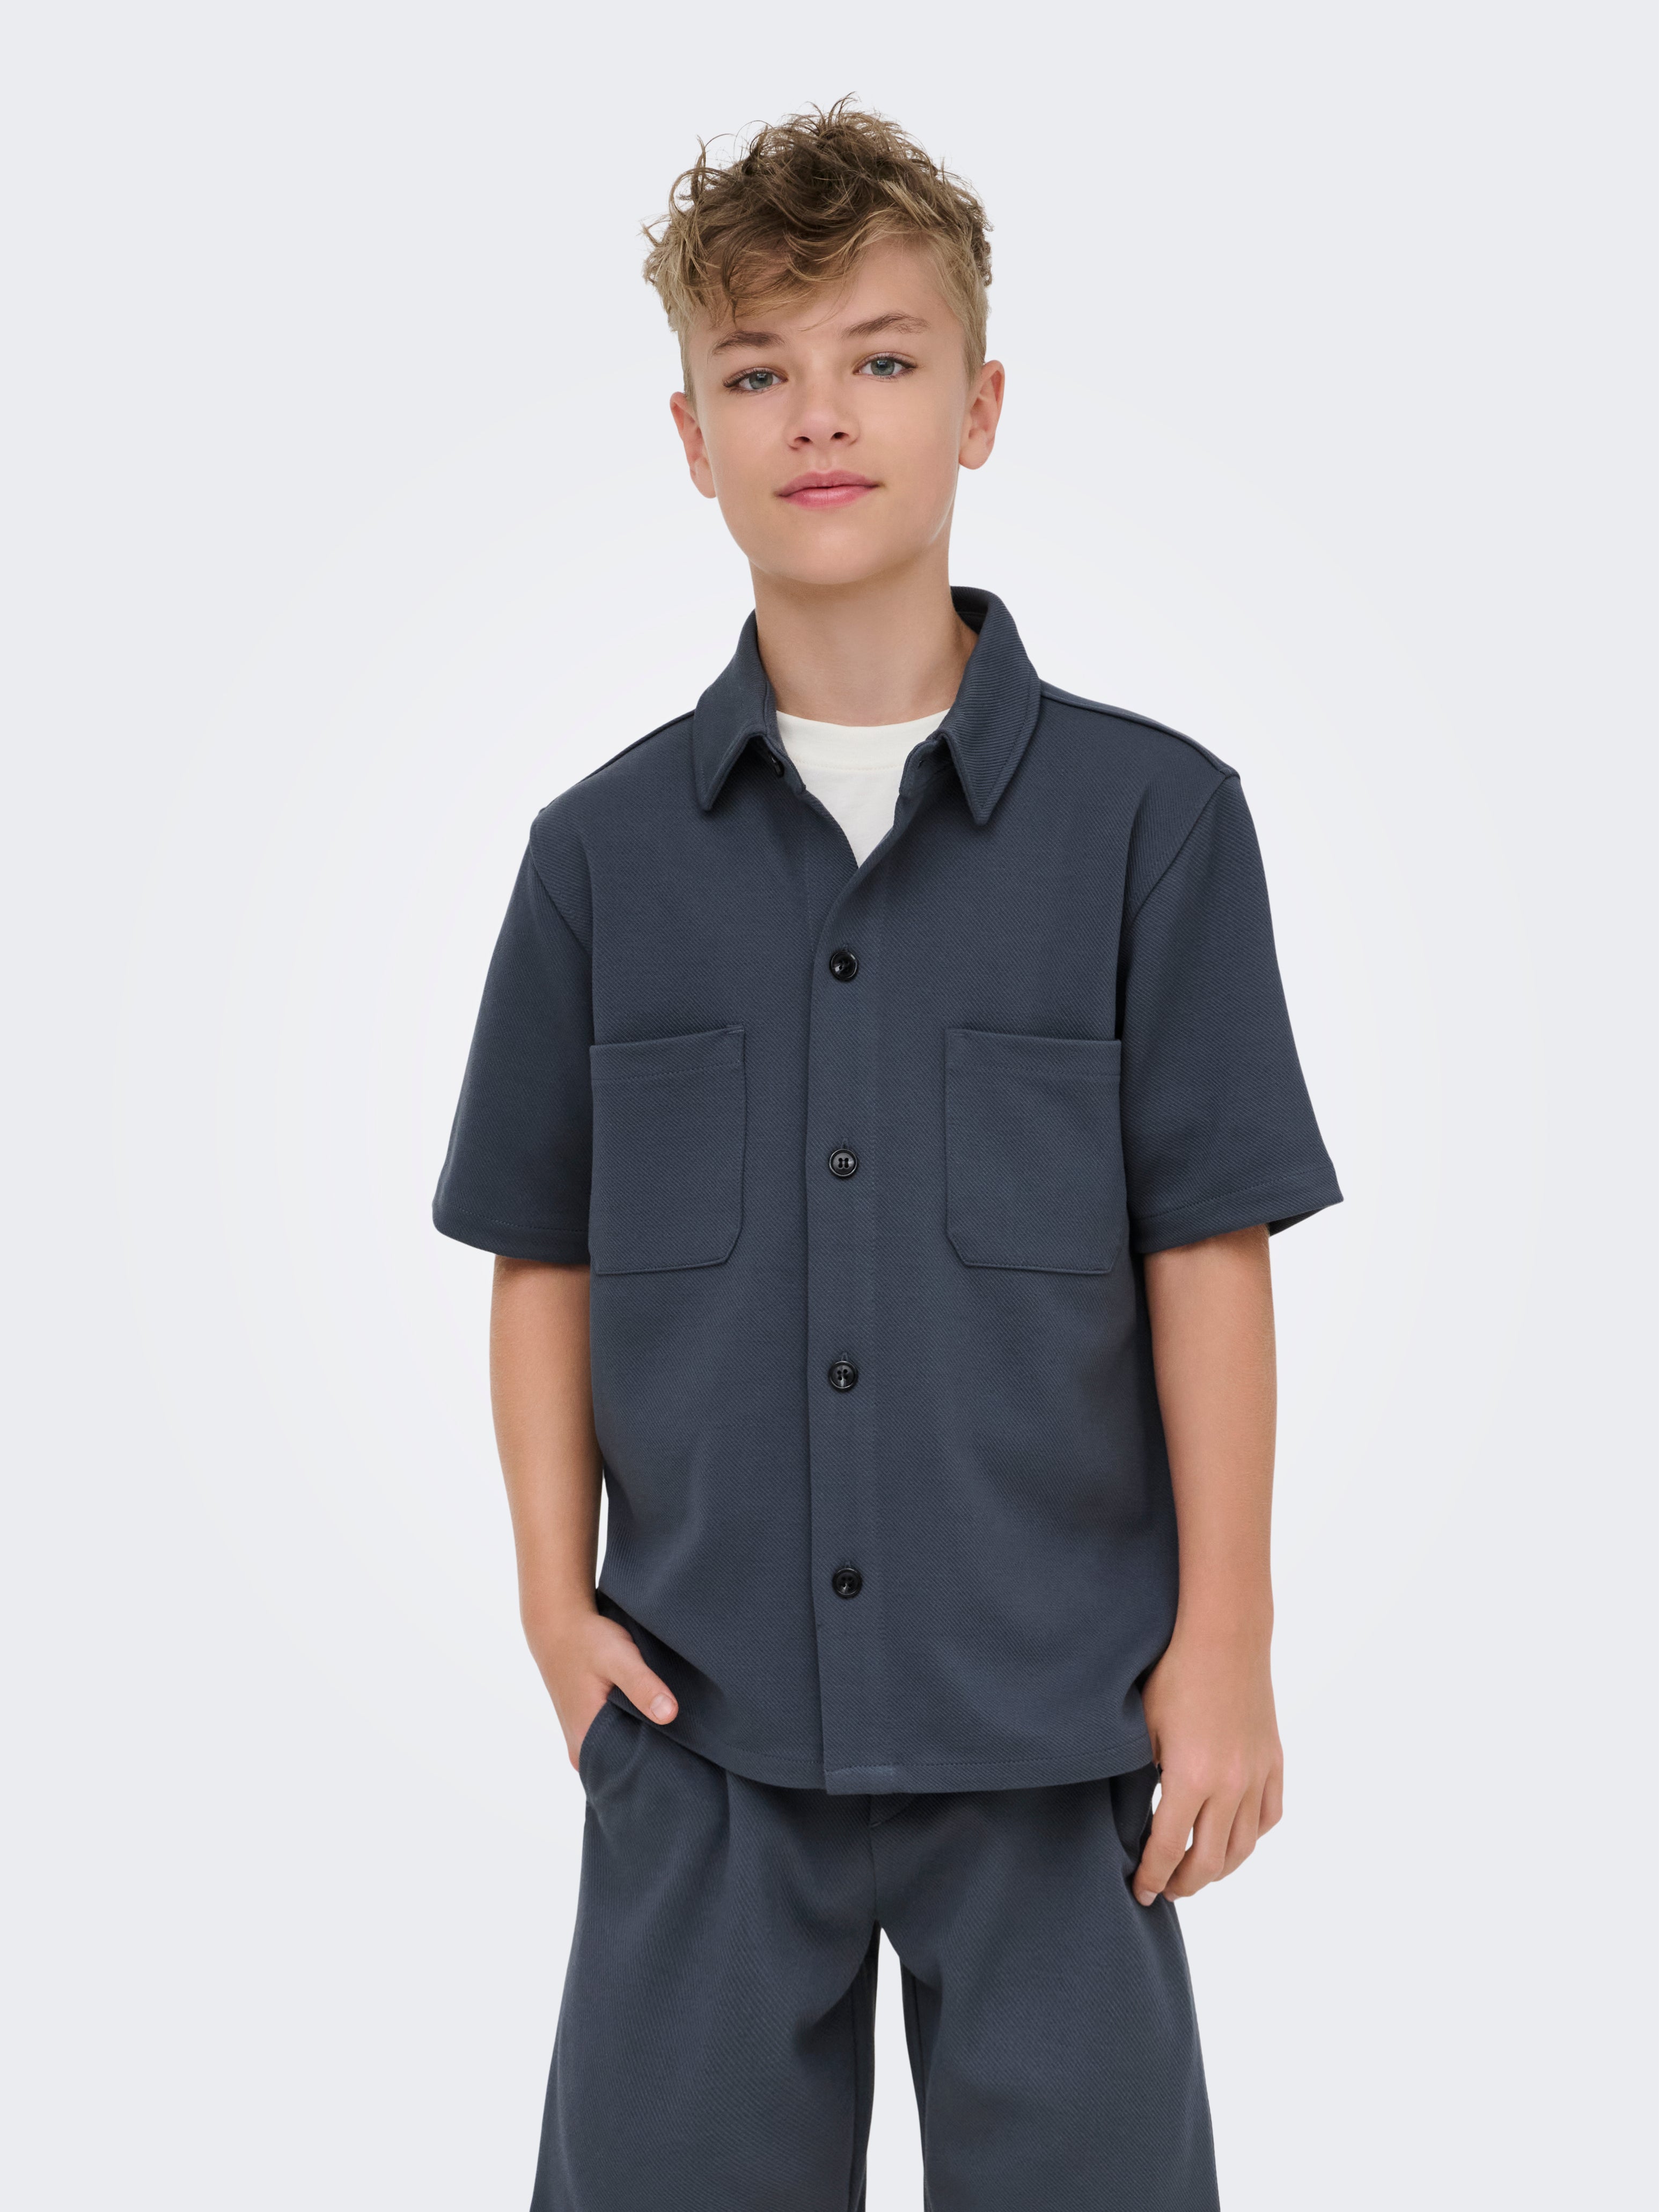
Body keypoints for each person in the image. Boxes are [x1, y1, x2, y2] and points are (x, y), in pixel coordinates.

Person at [432, 99, 1341, 2211]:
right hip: (702, 1726)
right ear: (692, 436)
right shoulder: (597, 858)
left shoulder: (1153, 830)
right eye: (758, 370)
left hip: (1057, 1727)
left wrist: (1223, 1642)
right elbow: (541, 1248)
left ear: (979, 407)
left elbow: (1205, 1247)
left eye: (882, 357)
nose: (820, 414)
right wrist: (552, 1613)